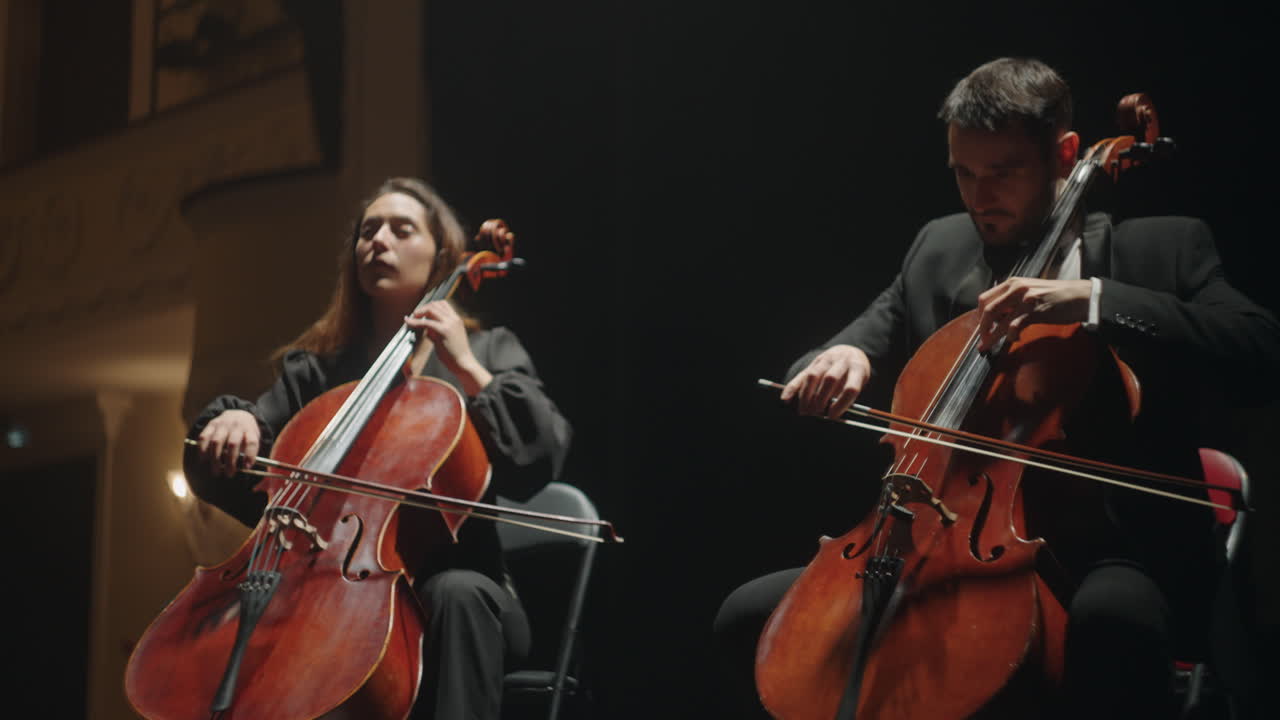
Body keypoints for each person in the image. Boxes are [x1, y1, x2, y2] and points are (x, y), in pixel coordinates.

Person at [714, 58, 1279, 719]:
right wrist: (838, 357)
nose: (980, 198)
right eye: (964, 173)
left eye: (1003, 173)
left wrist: (1093, 299)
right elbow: (855, 340)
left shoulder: (1162, 250)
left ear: (1065, 153)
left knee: (1113, 624)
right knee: (749, 617)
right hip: (944, 546)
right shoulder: (939, 249)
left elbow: (1260, 347)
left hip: (1112, 553)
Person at [185, 177, 572, 720]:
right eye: (368, 231)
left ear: (442, 255)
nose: (378, 241)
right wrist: (233, 421)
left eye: (400, 228)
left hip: (460, 594)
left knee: (456, 593)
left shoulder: (487, 349)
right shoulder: (319, 372)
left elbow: (541, 452)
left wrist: (466, 366)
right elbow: (255, 453)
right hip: (327, 588)